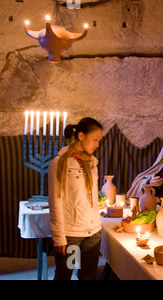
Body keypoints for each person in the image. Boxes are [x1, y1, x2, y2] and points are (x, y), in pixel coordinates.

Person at [48, 117, 103, 280]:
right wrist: (59, 237)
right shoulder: (59, 164)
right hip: (72, 235)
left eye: (99, 140)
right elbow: (55, 202)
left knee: (88, 277)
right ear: (81, 136)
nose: (97, 144)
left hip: (93, 233)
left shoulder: (92, 163)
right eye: (95, 139)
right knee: (65, 275)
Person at [127, 135, 163, 207]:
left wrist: (160, 199)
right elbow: (143, 182)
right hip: (152, 205)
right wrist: (150, 182)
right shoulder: (159, 167)